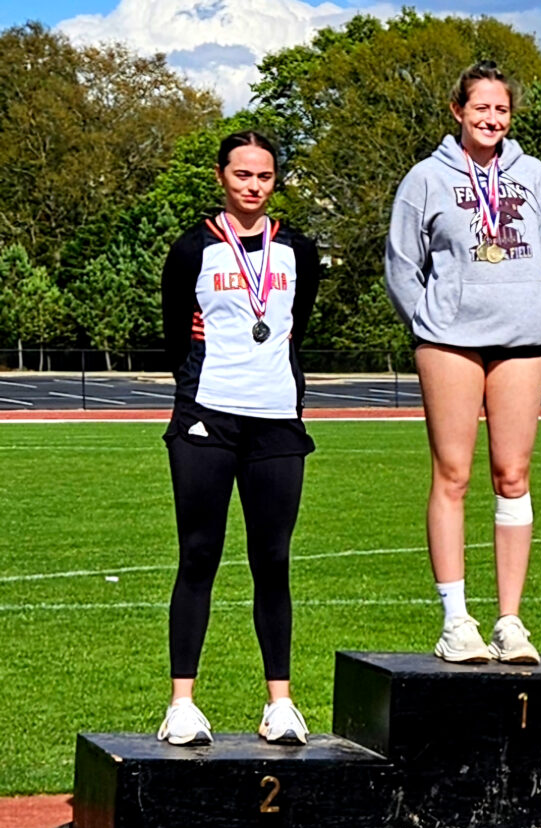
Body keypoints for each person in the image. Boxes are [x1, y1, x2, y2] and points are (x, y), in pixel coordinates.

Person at [385, 61, 541, 664]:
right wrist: (429, 320)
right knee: (453, 474)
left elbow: (540, 250)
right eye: (481, 108)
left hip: (521, 337)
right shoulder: (426, 178)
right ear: (458, 110)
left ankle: (510, 621)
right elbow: (401, 263)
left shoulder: (531, 174)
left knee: (513, 475)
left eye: (502, 110)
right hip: (450, 340)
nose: (492, 119)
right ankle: (456, 619)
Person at [158, 130, 319, 746]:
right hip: (207, 419)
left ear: (276, 181)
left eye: (265, 176)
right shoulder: (194, 248)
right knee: (199, 555)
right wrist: (202, 391)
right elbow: (176, 333)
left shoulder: (297, 250)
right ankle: (182, 703)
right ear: (222, 177)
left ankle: (280, 703)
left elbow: (294, 328)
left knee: (272, 561)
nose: (253, 186)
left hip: (277, 419)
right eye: (242, 174)